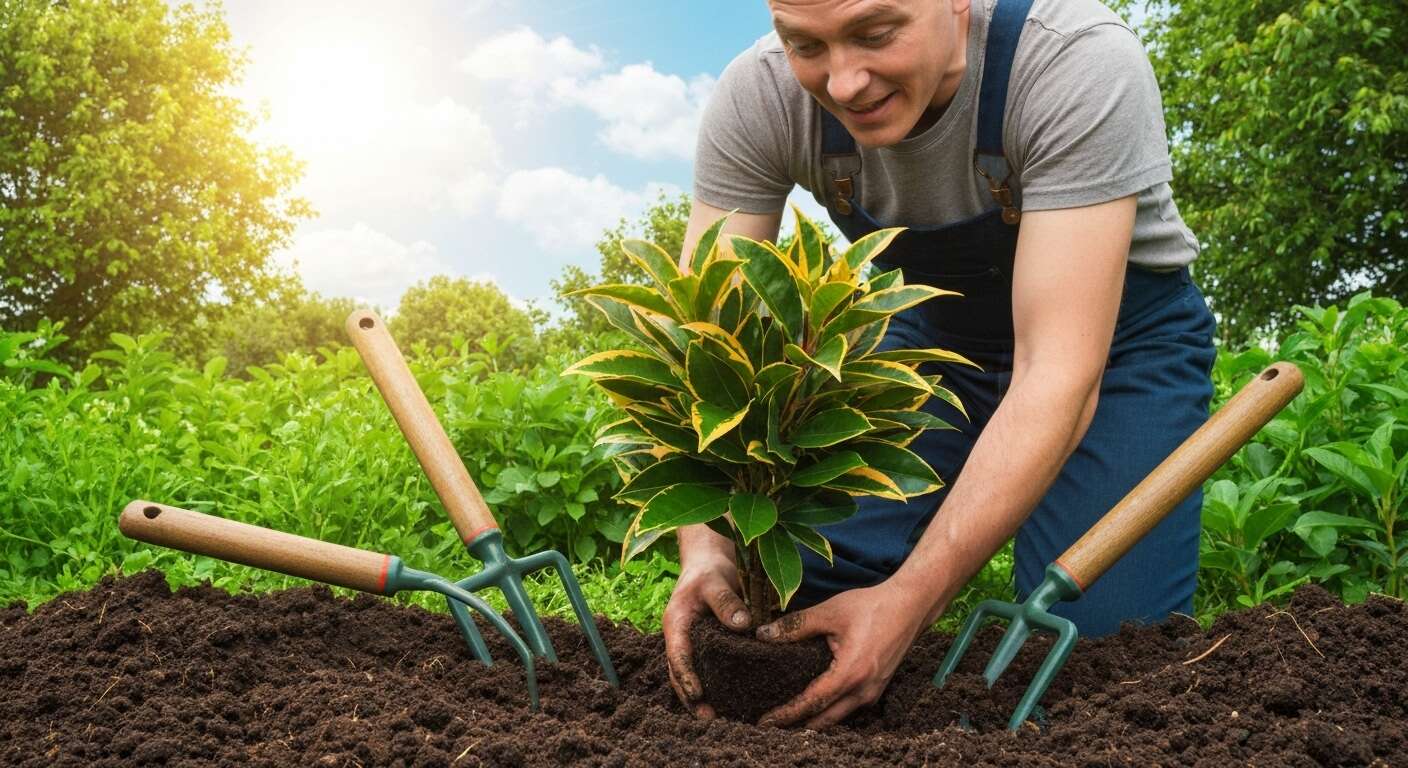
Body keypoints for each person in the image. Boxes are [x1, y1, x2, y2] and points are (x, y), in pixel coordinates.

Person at [661, 0, 1218, 729]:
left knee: (1104, 663)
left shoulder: (1073, 60)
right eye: (806, 44)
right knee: (800, 603)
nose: (846, 82)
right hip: (932, 338)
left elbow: (1057, 371)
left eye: (875, 32)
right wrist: (707, 550)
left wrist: (913, 601)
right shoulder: (761, 95)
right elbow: (707, 344)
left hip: (1116, 348)